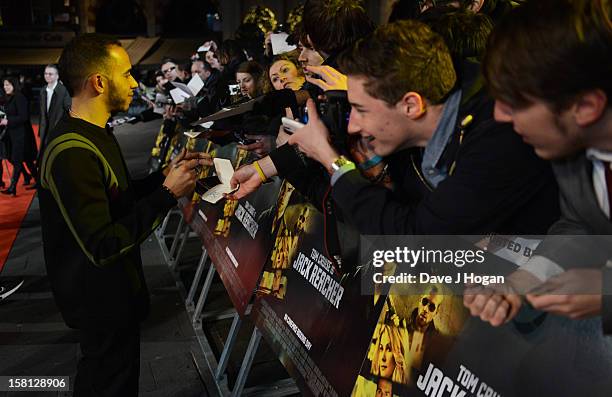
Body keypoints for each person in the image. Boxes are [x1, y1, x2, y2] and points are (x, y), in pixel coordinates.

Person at [230, 20, 559, 237]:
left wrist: (332, 160)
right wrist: (267, 166)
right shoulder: (425, 99)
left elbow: (414, 237)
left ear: (411, 105)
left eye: (358, 109)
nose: (354, 124)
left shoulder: (497, 139)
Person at [38, 34, 211, 396]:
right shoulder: (71, 151)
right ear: (99, 82)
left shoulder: (94, 133)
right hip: (99, 306)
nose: (134, 83)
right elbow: (102, 244)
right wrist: (166, 195)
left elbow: (119, 196)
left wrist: (162, 177)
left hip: (116, 299)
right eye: (127, 74)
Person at [463, 0, 612, 333]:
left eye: (513, 103)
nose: (499, 116)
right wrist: (522, 281)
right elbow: (579, 225)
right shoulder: (570, 147)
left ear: (586, 107)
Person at [0, 77, 37, 196]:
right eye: (4, 85)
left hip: (22, 134)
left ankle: (12, 187)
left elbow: (24, 117)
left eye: (8, 85)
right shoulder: (8, 97)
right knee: (23, 160)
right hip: (12, 134)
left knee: (17, 160)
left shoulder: (20, 97)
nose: (6, 87)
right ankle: (30, 177)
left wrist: (8, 121)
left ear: (14, 85)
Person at [38, 64, 71, 164]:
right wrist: (41, 130)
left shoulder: (63, 91)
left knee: (56, 157)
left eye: (50, 74)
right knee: (45, 156)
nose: (47, 76)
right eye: (46, 73)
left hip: (57, 128)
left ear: (57, 76)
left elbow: (68, 109)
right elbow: (42, 113)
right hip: (45, 129)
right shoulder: (43, 90)